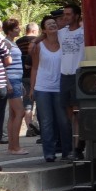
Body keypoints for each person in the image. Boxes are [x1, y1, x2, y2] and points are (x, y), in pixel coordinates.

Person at [28, 15, 68, 162]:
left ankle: (67, 151)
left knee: (63, 121)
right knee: (46, 122)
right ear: (44, 29)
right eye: (48, 24)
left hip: (59, 87)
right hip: (42, 87)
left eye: (53, 23)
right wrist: (32, 88)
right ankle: (49, 153)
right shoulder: (39, 45)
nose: (52, 25)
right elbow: (34, 68)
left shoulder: (64, 42)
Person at [57, 3, 85, 159]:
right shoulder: (62, 33)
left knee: (77, 112)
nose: (65, 17)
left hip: (78, 73)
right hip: (64, 75)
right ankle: (75, 144)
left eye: (68, 14)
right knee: (69, 112)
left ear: (76, 16)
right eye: (64, 14)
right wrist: (35, 41)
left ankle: (78, 147)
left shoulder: (83, 31)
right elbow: (46, 34)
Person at [2, 19, 25, 154]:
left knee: (13, 114)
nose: (19, 29)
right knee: (20, 112)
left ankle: (12, 146)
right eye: (16, 28)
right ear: (10, 30)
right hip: (12, 80)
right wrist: (8, 82)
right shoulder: (6, 43)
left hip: (16, 80)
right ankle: (15, 147)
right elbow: (3, 64)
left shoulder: (12, 42)